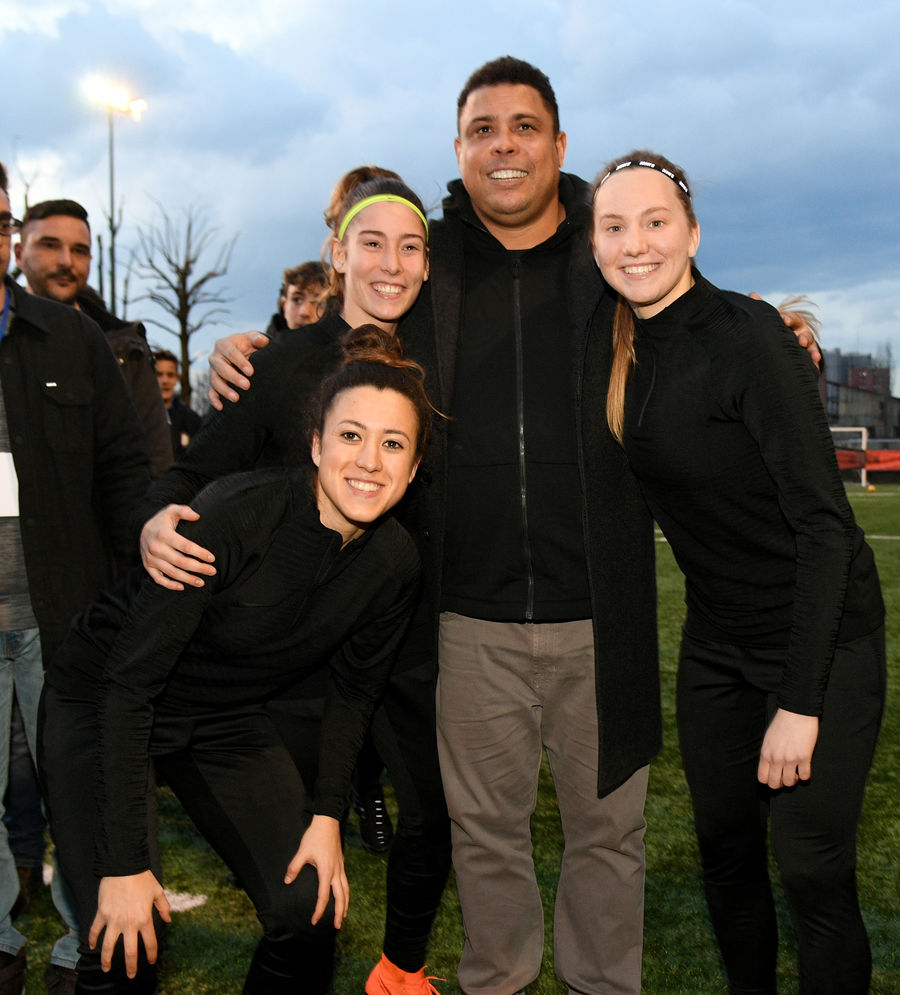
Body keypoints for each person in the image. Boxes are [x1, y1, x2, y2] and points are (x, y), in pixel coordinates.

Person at [204, 58, 823, 995]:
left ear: (558, 144)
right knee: (485, 836)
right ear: (458, 149)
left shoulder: (606, 244)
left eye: (524, 126)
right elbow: (353, 313)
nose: (505, 145)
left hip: (601, 613)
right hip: (467, 620)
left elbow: (689, 309)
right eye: (483, 129)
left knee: (608, 834)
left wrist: (777, 328)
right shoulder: (433, 257)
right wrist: (250, 344)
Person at [40, 324, 432, 994]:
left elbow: (353, 694)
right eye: (350, 435)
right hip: (104, 698)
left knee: (309, 910)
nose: (370, 460)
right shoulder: (235, 514)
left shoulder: (395, 564)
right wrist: (125, 863)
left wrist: (327, 816)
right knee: (125, 936)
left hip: (222, 716)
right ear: (315, 444)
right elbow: (129, 685)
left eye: (393, 443)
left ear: (415, 466)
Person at [137, 171, 451, 995]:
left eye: (409, 247)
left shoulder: (444, 355)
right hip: (296, 660)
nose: (390, 264)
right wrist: (157, 517)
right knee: (301, 872)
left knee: (430, 810)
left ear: (427, 263)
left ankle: (402, 971)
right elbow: (194, 470)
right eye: (372, 244)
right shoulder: (278, 363)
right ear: (336, 253)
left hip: (403, 628)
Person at [591, 150, 886, 994]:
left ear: (692, 233)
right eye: (614, 226)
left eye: (655, 222)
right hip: (717, 648)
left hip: (822, 639)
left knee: (811, 864)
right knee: (726, 854)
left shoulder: (750, 339)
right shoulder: (613, 341)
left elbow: (826, 529)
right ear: (596, 244)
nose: (635, 243)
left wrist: (800, 702)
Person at [0, 164, 151, 995]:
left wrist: (133, 587)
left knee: (78, 790)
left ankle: (83, 945)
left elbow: (125, 468)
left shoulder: (70, 339)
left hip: (61, 616)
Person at [14, 200, 172, 477]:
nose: (66, 261)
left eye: (79, 250)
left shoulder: (126, 348)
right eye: (50, 245)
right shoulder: (8, 336)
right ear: (19, 253)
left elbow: (155, 460)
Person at [153, 348, 202, 459]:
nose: (165, 381)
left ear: (177, 379)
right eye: (158, 374)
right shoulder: (137, 417)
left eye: (170, 375)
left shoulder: (191, 420)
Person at [266, 261, 328, 336]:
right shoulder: (260, 342)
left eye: (318, 302)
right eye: (297, 300)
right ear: (284, 306)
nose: (304, 312)